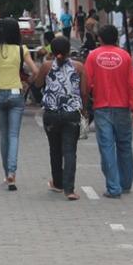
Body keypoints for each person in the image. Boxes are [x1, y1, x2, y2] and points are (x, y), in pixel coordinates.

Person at [85, 25, 133, 199]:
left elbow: (87, 82)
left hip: (102, 107)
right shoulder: (125, 56)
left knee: (107, 147)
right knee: (125, 146)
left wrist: (87, 100)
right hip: (123, 108)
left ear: (100, 39)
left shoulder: (93, 56)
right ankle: (125, 183)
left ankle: (113, 187)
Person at [0, 18, 38, 191]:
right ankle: (12, 173)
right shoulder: (22, 49)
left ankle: (6, 172)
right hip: (16, 94)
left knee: (4, 135)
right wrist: (29, 82)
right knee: (14, 135)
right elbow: (36, 71)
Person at [34, 37, 87, 201]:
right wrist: (84, 110)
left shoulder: (46, 66)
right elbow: (84, 91)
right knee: (70, 150)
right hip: (71, 113)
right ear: (68, 50)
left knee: (55, 149)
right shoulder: (78, 67)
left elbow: (37, 84)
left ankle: (57, 183)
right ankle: (69, 189)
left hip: (51, 114)